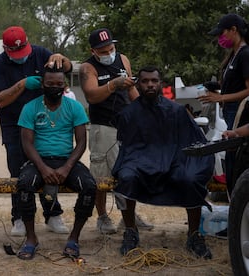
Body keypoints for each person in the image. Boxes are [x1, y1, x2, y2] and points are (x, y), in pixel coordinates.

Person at [112, 65, 214, 259]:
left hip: (174, 161)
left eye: (154, 81)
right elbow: (127, 149)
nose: (150, 85)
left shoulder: (177, 111)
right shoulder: (129, 113)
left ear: (161, 84)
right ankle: (131, 232)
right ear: (138, 85)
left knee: (190, 178)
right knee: (125, 176)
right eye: (145, 81)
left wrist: (175, 161)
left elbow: (194, 142)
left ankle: (194, 236)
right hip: (139, 162)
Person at [0, 26, 73, 236]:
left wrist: (62, 58)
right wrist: (22, 84)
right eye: (15, 53)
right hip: (14, 125)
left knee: (48, 167)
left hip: (44, 123)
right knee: (18, 174)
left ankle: (53, 214)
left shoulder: (41, 54)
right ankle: (19, 217)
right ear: (5, 48)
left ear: (28, 43)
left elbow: (67, 69)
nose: (20, 57)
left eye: (23, 52)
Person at [15, 65, 96, 260]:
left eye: (59, 84)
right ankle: (31, 239)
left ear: (65, 85)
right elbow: (26, 143)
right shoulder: (30, 107)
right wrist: (42, 168)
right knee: (24, 185)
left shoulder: (74, 107)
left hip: (66, 161)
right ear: (42, 84)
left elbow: (82, 142)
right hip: (38, 161)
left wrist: (67, 167)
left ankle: (73, 238)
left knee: (89, 186)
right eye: (50, 84)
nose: (55, 87)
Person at [79, 28, 153, 234]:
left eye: (110, 48)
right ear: (93, 51)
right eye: (102, 51)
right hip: (103, 126)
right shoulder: (87, 68)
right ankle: (102, 216)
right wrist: (112, 85)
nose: (108, 53)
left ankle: (129, 216)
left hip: (126, 125)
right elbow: (92, 96)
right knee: (101, 173)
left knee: (129, 172)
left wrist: (144, 111)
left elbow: (131, 89)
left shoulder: (123, 60)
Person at [201, 13, 249, 195]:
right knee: (230, 162)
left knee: (235, 161)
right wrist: (218, 89)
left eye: (222, 33)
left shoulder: (245, 54)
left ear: (234, 30)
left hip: (240, 113)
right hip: (230, 112)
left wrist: (221, 98)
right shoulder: (233, 56)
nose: (220, 38)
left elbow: (248, 90)